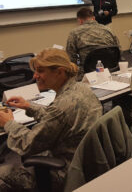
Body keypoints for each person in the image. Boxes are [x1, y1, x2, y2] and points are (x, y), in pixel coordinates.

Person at [0, 48, 102, 191]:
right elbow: (56, 119)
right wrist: (29, 106)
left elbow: (28, 144)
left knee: (3, 173)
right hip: (85, 162)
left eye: (40, 71)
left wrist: (8, 123)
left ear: (59, 72)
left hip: (66, 172)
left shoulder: (63, 105)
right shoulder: (80, 88)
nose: (35, 76)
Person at [66, 8, 120, 79]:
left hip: (87, 72)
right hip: (110, 68)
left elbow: (71, 58)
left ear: (80, 21)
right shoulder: (108, 30)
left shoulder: (74, 33)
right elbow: (118, 50)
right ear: (94, 18)